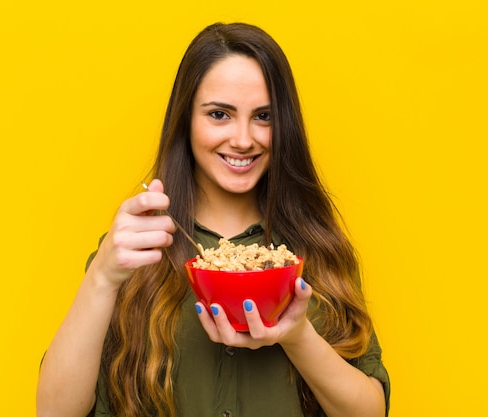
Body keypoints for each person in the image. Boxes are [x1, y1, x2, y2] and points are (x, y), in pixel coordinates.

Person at [36, 22, 390, 417]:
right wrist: (102, 274)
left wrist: (297, 335)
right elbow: (55, 412)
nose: (242, 139)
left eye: (263, 116)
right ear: (186, 120)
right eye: (219, 114)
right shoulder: (133, 249)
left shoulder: (318, 250)